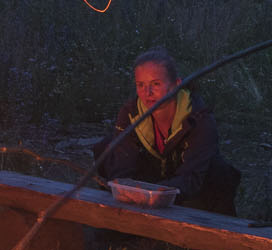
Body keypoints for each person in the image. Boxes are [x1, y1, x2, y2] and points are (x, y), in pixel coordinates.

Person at [95, 48, 241, 215]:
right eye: (141, 85)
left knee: (220, 171)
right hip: (151, 178)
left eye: (156, 84)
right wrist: (128, 190)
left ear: (176, 85)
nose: (147, 93)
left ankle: (212, 226)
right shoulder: (130, 113)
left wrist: (158, 195)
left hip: (183, 184)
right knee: (105, 148)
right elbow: (122, 167)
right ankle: (121, 222)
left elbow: (192, 178)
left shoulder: (199, 118)